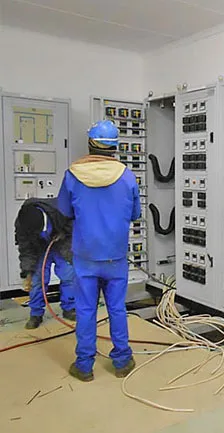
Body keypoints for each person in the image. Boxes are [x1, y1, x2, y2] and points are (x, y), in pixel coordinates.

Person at [57, 120, 140, 382]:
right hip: (115, 257)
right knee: (116, 308)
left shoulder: (72, 175)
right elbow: (135, 213)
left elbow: (64, 210)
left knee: (85, 310)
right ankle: (122, 361)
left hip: (85, 256)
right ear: (115, 147)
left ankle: (84, 366)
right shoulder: (127, 176)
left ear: (90, 143)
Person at [15, 198, 77, 329]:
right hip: (40, 248)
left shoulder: (61, 208)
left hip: (62, 244)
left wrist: (63, 232)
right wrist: (27, 272)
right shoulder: (23, 223)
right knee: (37, 281)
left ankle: (69, 308)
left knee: (68, 276)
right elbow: (26, 249)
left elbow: (77, 225)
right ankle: (36, 313)